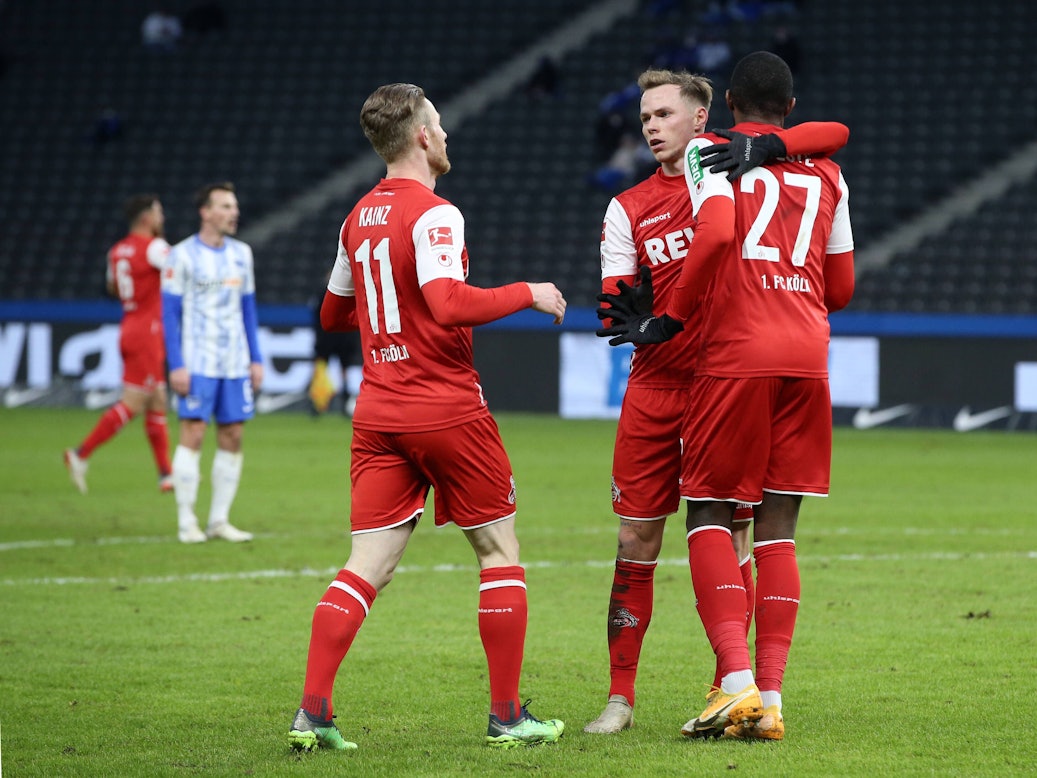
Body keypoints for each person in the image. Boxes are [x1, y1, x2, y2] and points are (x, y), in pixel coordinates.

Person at [287, 82, 567, 753]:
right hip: (444, 406)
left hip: (378, 410)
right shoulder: (437, 213)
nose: (445, 134)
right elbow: (445, 302)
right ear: (419, 136)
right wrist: (528, 291)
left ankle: (311, 716)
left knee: (366, 564)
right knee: (499, 551)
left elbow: (329, 316)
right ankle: (507, 716)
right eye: (438, 123)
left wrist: (389, 323)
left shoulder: (356, 218)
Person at [598, 51, 855, 742]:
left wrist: (674, 314)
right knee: (751, 528)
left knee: (716, 519)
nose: (651, 126)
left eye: (662, 113)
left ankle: (736, 683)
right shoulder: (819, 170)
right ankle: (740, 694)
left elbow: (714, 234)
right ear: (787, 108)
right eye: (643, 116)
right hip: (780, 355)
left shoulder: (713, 160)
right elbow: (841, 283)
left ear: (711, 110)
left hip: (729, 363)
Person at [161, 182, 263, 544]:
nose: (234, 212)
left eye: (234, 206)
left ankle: (218, 521)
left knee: (233, 435)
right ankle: (186, 520)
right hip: (197, 360)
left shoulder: (242, 254)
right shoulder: (181, 255)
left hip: (234, 362)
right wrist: (176, 364)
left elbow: (248, 309)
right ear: (205, 212)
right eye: (225, 206)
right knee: (193, 433)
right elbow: (169, 314)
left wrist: (256, 358)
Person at [64, 195, 174, 495]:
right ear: (146, 218)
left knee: (158, 398)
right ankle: (80, 453)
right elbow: (183, 271)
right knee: (135, 401)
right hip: (148, 331)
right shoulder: (155, 247)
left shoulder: (116, 251)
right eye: (158, 212)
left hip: (129, 324)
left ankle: (166, 474)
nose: (162, 217)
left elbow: (114, 287)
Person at [308, 273, 360, 416]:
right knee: (340, 369)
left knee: (323, 367)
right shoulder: (352, 290)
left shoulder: (322, 292)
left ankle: (318, 403)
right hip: (343, 337)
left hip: (329, 336)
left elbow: (316, 315)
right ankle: (342, 400)